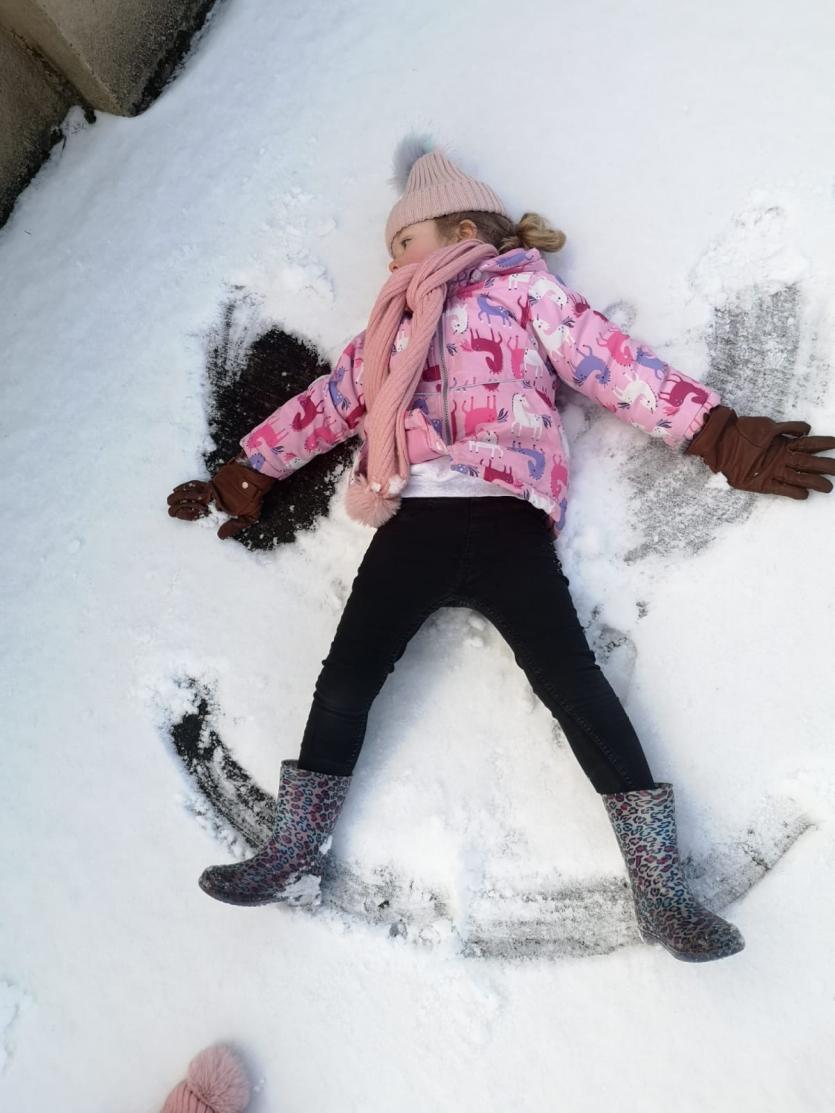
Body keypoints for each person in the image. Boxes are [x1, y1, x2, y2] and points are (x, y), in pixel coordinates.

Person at [168, 138, 835, 962]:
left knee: (574, 687)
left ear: (456, 230)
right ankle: (293, 847)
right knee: (344, 679)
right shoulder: (390, 328)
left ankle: (659, 888)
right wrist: (248, 467)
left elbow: (611, 365)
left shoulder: (523, 295)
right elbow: (333, 402)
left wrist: (715, 431)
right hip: (410, 526)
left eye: (401, 242)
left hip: (506, 523)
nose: (391, 258)